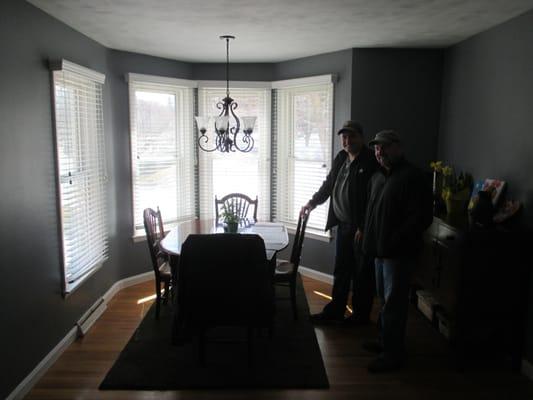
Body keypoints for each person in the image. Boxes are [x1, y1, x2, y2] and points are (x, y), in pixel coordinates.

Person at [362, 130, 433, 373]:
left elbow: (421, 218)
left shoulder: (412, 177)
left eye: (384, 147)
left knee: (394, 304)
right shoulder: (380, 177)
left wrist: (394, 240)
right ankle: (384, 343)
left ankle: (393, 355)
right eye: (376, 148)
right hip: (380, 253)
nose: (379, 152)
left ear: (398, 147)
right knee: (384, 301)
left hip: (398, 255)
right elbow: (373, 214)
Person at [302, 120, 379, 325]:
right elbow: (328, 185)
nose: (347, 140)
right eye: (344, 137)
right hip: (343, 225)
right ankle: (335, 312)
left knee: (361, 275)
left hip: (359, 229)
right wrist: (312, 203)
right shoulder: (341, 157)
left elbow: (373, 199)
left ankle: (360, 318)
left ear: (361, 138)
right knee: (341, 270)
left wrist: (363, 226)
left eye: (352, 136)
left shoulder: (370, 161)